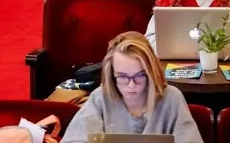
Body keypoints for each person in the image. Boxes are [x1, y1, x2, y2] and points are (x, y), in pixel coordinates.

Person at [59, 31, 204, 143]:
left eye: (140, 75)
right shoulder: (100, 97)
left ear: (151, 72)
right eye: (122, 77)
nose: (131, 85)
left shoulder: (171, 98)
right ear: (112, 74)